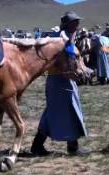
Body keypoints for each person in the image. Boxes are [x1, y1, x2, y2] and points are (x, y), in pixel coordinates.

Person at [30, 11, 90, 156]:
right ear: (67, 24)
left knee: (54, 111)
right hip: (60, 80)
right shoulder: (61, 40)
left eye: (77, 21)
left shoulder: (65, 37)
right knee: (69, 110)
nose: (77, 24)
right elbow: (62, 59)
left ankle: (38, 145)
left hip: (61, 80)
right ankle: (72, 147)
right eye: (74, 22)